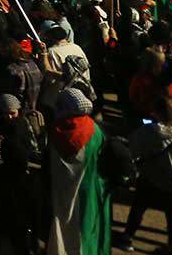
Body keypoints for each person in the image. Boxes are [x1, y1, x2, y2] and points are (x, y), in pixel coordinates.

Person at [119, 98, 172, 253]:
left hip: (151, 178)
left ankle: (127, 237)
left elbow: (133, 149)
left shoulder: (148, 131)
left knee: (138, 208)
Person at [46, 88, 111, 255]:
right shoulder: (95, 130)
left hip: (60, 193)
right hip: (88, 191)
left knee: (62, 229)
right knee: (86, 231)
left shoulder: (55, 133)